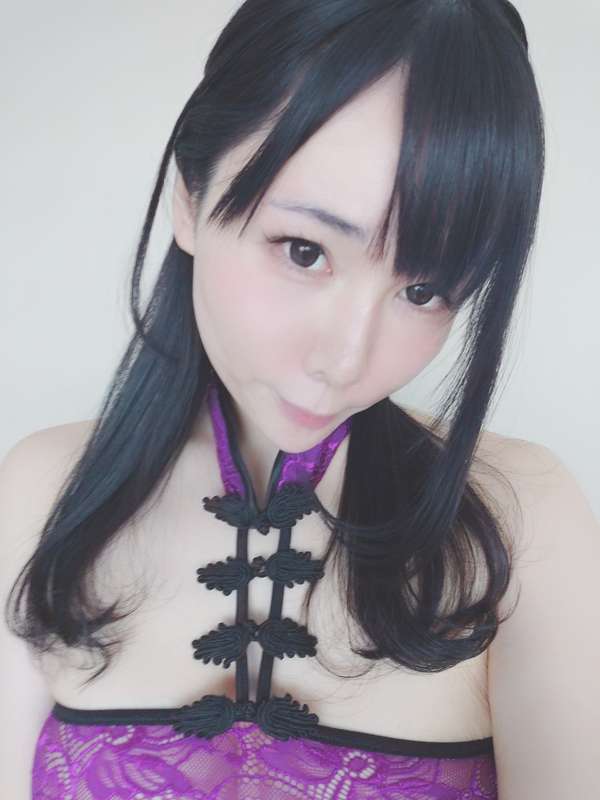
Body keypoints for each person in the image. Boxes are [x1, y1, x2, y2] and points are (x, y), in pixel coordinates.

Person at [1, 1, 598, 798]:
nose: (344, 361)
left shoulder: (520, 519)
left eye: (423, 289)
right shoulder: (45, 491)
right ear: (190, 197)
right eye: (305, 251)